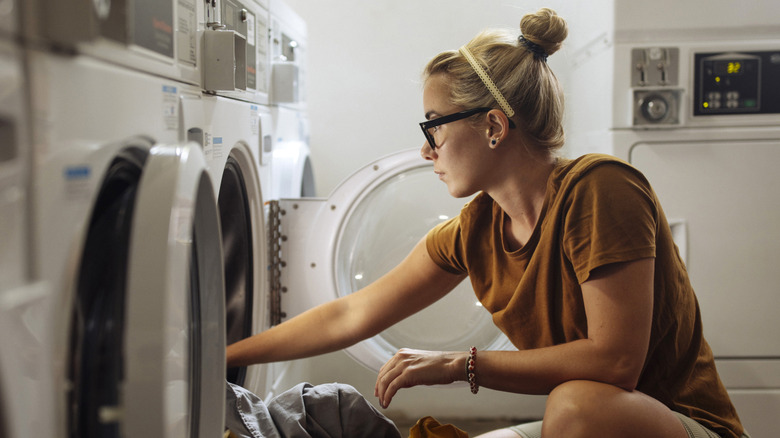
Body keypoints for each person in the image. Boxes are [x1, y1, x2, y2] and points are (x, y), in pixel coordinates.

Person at [227, 8, 747, 438]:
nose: (426, 149)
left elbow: (614, 364)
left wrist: (461, 363)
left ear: (494, 125)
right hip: (589, 424)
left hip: (678, 425)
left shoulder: (600, 189)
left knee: (573, 408)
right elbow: (349, 315)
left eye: (433, 125)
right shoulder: (476, 229)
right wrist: (219, 358)